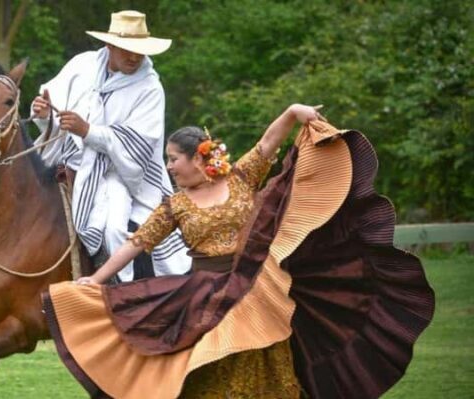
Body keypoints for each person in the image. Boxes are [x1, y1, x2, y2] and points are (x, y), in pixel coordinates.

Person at [41, 104, 436, 398]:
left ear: (199, 157)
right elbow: (136, 242)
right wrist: (96, 279)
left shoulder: (241, 178)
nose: (170, 168)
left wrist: (293, 113)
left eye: (173, 159)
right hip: (203, 296)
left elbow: (268, 143)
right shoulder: (174, 204)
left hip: (255, 290)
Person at [31, 10, 190, 282]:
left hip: (121, 173)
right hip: (70, 159)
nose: (134, 57)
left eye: (139, 51)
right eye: (127, 49)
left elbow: (138, 145)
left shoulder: (150, 87)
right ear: (110, 46)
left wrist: (88, 131)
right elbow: (53, 108)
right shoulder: (82, 66)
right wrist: (44, 113)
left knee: (114, 227)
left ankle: (120, 290)